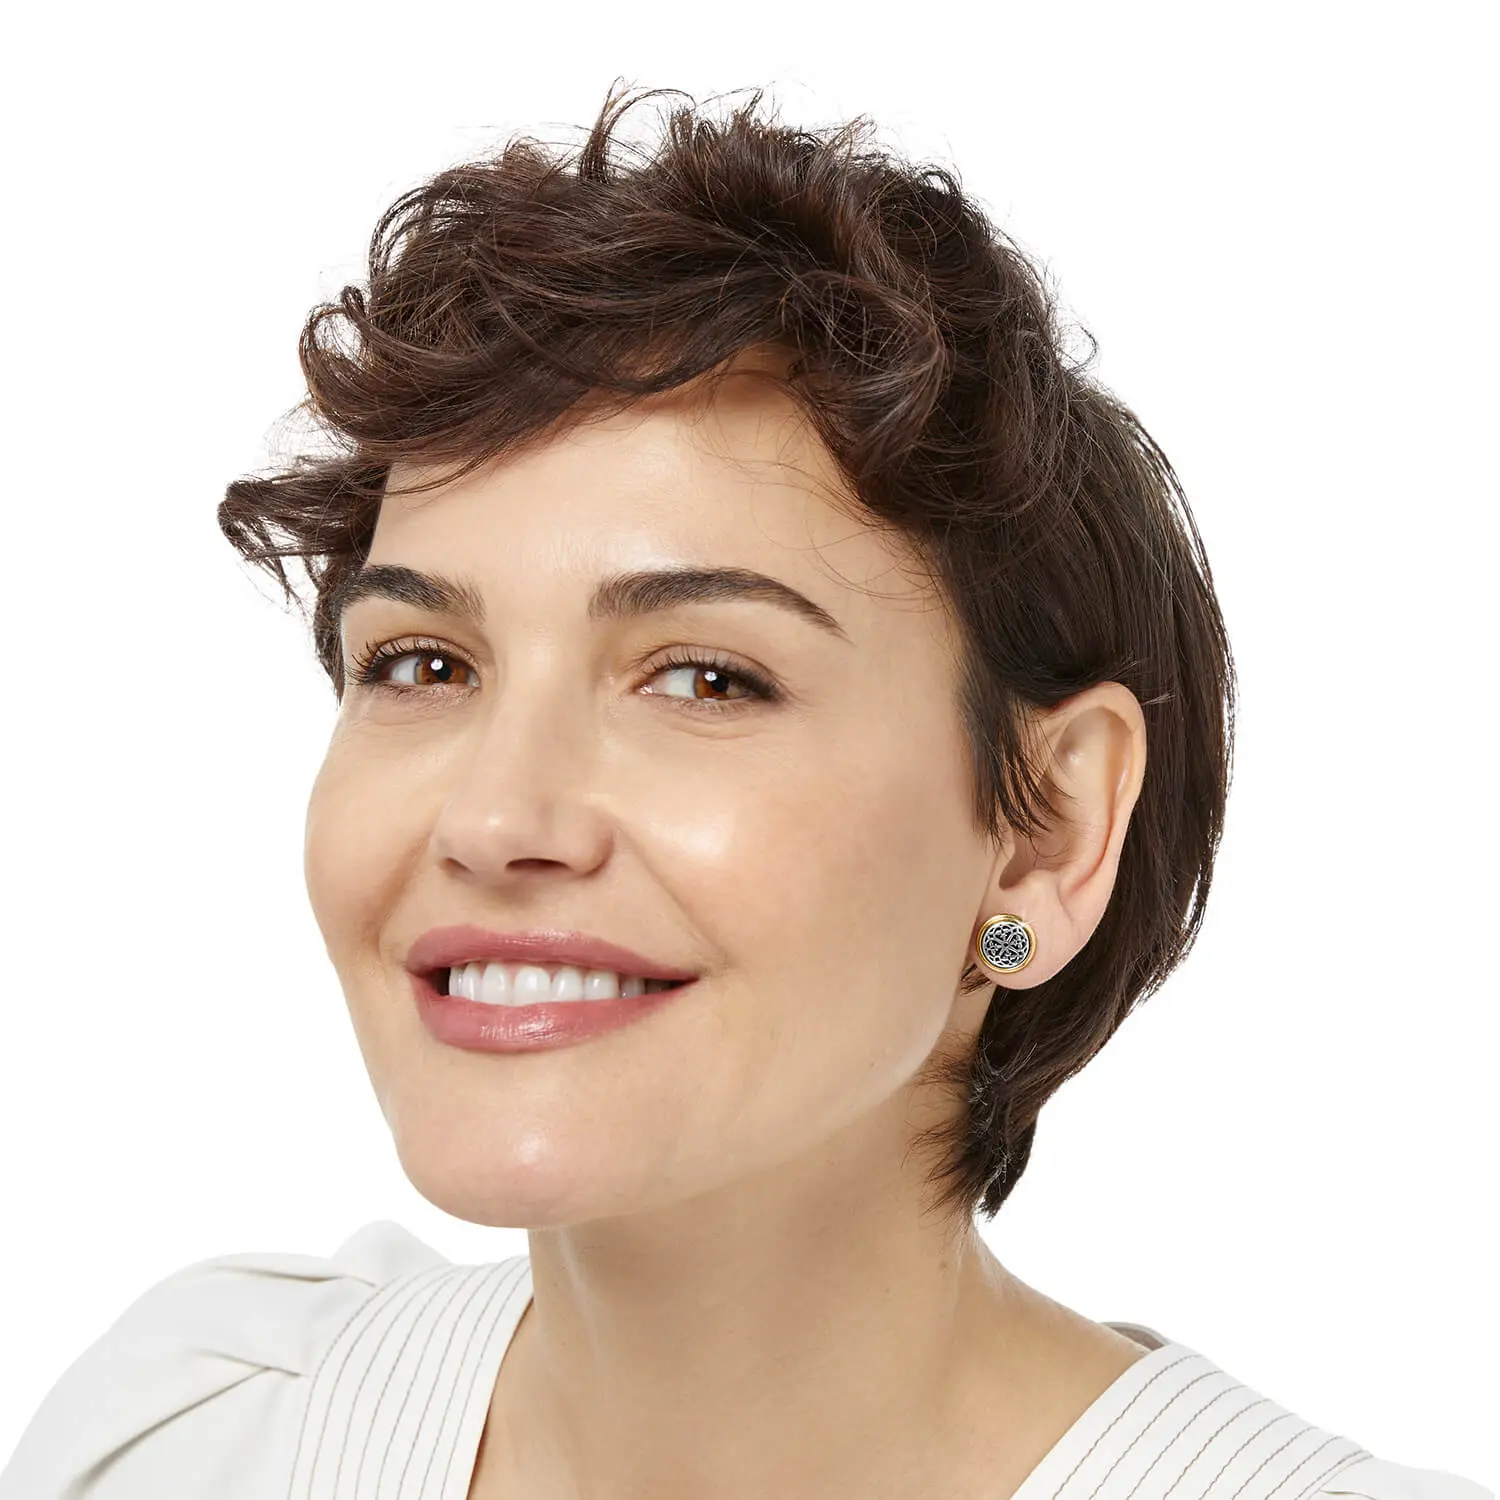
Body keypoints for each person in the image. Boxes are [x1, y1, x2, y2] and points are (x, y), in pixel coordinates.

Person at [1, 82, 1488, 1500]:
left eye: (706, 680)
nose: (495, 820)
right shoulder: (190, 1440)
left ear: (1045, 829)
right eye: (424, 665)